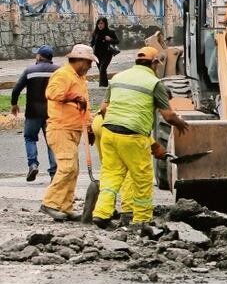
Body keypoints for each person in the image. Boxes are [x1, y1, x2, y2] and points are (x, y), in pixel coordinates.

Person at [91, 47, 190, 230]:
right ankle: (142, 219)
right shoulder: (154, 83)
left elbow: (104, 109)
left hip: (109, 132)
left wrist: (147, 141)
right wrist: (181, 124)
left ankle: (101, 214)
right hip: (133, 135)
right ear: (154, 64)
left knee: (111, 176)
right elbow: (168, 116)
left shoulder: (118, 77)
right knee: (142, 177)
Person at [40, 44, 97, 222]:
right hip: (60, 128)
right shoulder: (63, 74)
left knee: (73, 170)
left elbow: (84, 108)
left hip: (73, 129)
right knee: (67, 167)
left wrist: (89, 127)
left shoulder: (80, 78)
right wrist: (73, 97)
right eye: (89, 63)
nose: (90, 67)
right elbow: (52, 92)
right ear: (80, 61)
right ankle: (50, 203)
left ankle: (65, 206)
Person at [11, 45, 60, 182]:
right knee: (52, 142)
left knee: (30, 138)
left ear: (39, 56)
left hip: (32, 112)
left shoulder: (30, 70)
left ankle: (33, 164)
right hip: (51, 112)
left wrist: (14, 104)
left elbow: (16, 89)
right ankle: (54, 172)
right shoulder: (58, 71)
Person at [90, 17, 118, 87]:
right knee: (102, 70)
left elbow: (117, 41)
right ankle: (105, 85)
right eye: (98, 24)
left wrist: (110, 39)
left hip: (107, 54)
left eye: (101, 23)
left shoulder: (110, 32)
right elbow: (92, 43)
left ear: (105, 24)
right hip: (97, 55)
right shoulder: (95, 33)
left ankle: (101, 86)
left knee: (102, 69)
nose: (100, 25)